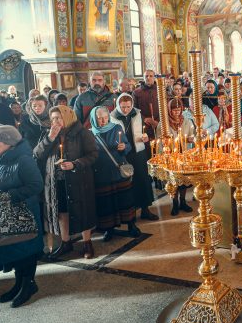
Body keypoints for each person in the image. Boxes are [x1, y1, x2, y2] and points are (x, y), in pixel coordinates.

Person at [0, 126, 44, 308]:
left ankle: (29, 285)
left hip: (22, 215)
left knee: (25, 249)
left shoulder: (24, 160)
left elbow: (36, 185)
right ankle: (19, 284)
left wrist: (3, 197)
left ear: (9, 144)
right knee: (13, 250)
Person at [34, 105, 98, 259]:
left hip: (78, 179)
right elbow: (36, 154)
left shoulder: (82, 133)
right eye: (52, 119)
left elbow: (93, 154)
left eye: (58, 118)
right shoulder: (49, 134)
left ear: (67, 117)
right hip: (56, 180)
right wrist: (50, 138)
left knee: (83, 210)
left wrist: (75, 164)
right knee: (62, 212)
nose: (55, 122)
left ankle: (87, 242)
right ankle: (65, 242)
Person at [89, 106, 140, 240]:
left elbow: (128, 145)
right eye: (99, 118)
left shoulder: (116, 128)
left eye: (105, 117)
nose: (103, 121)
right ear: (93, 119)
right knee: (106, 203)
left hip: (118, 170)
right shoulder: (90, 134)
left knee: (125, 199)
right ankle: (109, 229)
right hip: (102, 174)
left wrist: (124, 147)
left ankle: (131, 225)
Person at [110, 93, 157, 221]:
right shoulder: (112, 117)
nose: (126, 110)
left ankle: (145, 210)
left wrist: (145, 137)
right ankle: (130, 213)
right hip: (122, 153)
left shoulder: (137, 113)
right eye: (123, 107)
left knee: (143, 180)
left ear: (132, 105)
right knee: (127, 183)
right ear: (118, 105)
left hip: (138, 151)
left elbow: (143, 130)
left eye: (128, 107)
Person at [133, 70, 160, 139]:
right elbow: (134, 109)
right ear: (143, 78)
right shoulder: (136, 92)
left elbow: (165, 107)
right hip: (144, 124)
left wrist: (157, 121)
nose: (148, 78)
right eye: (146, 76)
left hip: (159, 123)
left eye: (151, 76)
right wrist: (144, 119)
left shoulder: (160, 90)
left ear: (154, 78)